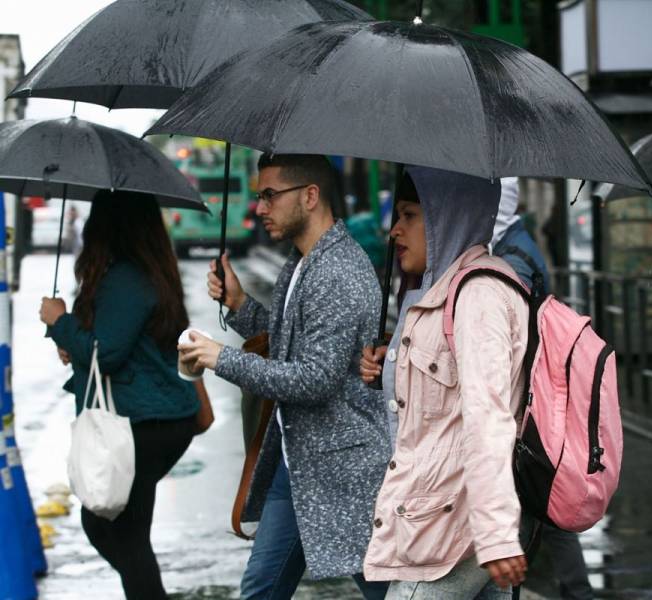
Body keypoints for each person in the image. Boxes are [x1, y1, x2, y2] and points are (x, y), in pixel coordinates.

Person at [178, 153, 390, 600]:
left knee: (387, 589)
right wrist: (238, 305)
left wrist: (223, 359)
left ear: (310, 196)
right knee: (260, 588)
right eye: (260, 197)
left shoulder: (338, 272)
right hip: (299, 463)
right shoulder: (303, 262)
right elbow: (290, 344)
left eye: (270, 196)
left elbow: (314, 379)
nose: (260, 208)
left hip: (344, 470)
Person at [360, 167, 528, 599]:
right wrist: (390, 368)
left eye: (410, 215)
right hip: (448, 518)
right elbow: (442, 399)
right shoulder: (438, 289)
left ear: (446, 215)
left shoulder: (478, 295)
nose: (395, 230)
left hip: (452, 530)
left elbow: (489, 419)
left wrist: (496, 535)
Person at [40, 191, 199, 600]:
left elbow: (105, 353)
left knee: (124, 535)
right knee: (112, 527)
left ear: (107, 224)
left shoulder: (127, 277)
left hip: (144, 425)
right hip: (154, 420)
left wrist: (61, 323)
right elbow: (114, 343)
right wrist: (74, 340)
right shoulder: (143, 272)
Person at [493, 178, 593, 600]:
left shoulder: (512, 257)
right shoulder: (511, 246)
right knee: (541, 499)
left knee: (541, 499)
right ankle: (575, 590)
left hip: (526, 400)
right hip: (531, 396)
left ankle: (576, 591)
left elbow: (510, 333)